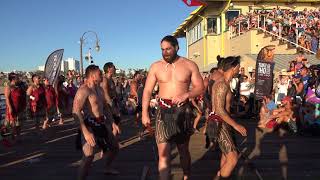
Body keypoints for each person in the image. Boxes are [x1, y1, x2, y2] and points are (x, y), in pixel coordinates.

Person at [142, 35, 204, 180]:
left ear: (176, 47)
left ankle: (187, 175)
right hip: (163, 112)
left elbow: (200, 87)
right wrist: (144, 113)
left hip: (182, 112)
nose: (165, 52)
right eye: (162, 49)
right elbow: (147, 91)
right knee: (163, 154)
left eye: (168, 49)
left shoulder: (189, 65)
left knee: (183, 150)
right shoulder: (156, 66)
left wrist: (186, 95)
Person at [73, 65, 120, 180]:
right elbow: (75, 112)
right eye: (100, 74)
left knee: (114, 147)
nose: (102, 75)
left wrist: (113, 122)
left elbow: (105, 107)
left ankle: (107, 167)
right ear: (93, 76)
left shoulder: (99, 89)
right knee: (88, 157)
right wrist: (85, 132)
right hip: (89, 124)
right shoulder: (84, 90)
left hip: (102, 123)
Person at [208, 56, 247, 179]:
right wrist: (236, 125)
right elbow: (219, 109)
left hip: (224, 121)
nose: (239, 69)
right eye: (238, 67)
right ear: (234, 67)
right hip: (219, 122)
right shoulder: (222, 84)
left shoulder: (225, 83)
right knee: (233, 158)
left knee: (226, 155)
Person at [4, 73, 26, 141]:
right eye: (17, 78)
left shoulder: (19, 86)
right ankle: (12, 136)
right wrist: (10, 108)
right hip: (12, 108)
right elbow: (7, 98)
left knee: (19, 124)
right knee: (12, 124)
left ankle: (18, 136)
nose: (18, 79)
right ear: (13, 79)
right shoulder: (8, 87)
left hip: (19, 108)